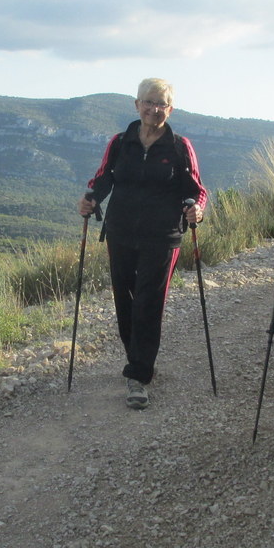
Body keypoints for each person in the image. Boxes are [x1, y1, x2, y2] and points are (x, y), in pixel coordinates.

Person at [77, 78, 207, 410]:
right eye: (148, 102)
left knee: (148, 302)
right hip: (120, 232)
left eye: (161, 103)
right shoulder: (121, 143)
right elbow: (104, 177)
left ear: (170, 108)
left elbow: (195, 188)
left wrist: (196, 208)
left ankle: (138, 374)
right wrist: (91, 198)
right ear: (137, 105)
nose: (154, 109)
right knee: (125, 299)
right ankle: (137, 357)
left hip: (163, 237)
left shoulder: (180, 146)